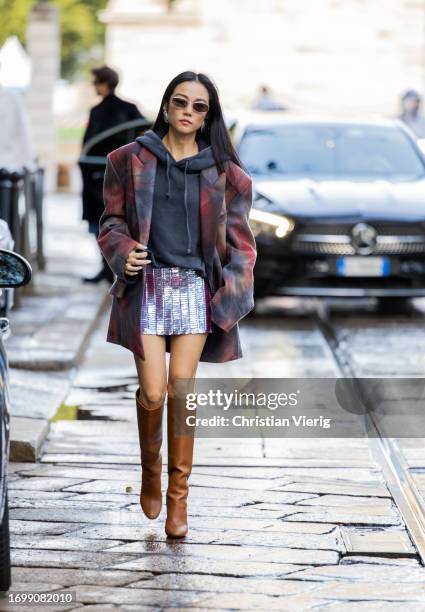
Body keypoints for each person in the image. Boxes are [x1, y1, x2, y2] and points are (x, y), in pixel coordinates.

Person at [97, 70, 257, 538]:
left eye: (199, 106)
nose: (188, 112)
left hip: (194, 292)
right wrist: (123, 253)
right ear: (166, 106)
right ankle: (151, 470)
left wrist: (227, 297)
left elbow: (243, 247)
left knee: (181, 391)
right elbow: (110, 222)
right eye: (180, 102)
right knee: (152, 393)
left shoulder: (227, 176)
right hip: (145, 286)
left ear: (208, 116)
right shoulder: (128, 160)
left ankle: (177, 498)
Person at [80, 65, 145, 283]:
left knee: (103, 220)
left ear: (104, 83)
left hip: (102, 176)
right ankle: (109, 268)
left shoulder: (101, 111)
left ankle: (110, 268)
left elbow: (90, 144)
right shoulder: (130, 108)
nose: (93, 86)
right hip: (122, 176)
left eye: (95, 81)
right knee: (113, 220)